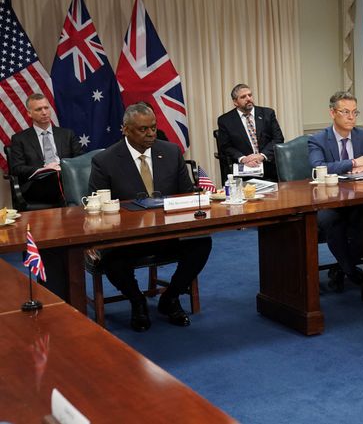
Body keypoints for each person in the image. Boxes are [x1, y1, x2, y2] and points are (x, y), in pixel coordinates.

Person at [89, 103, 212, 332]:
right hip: (128, 238)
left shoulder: (172, 151)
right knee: (112, 261)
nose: (151, 134)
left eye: (154, 128)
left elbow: (185, 194)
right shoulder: (105, 161)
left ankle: (170, 298)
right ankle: (137, 301)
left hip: (168, 232)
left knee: (201, 243)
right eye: (143, 129)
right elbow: (96, 204)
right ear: (125, 129)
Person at [309, 91, 363, 292]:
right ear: (332, 113)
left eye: (355, 112)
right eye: (345, 112)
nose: (351, 117)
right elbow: (318, 168)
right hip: (328, 200)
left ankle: (342, 268)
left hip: (358, 198)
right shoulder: (318, 139)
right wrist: (353, 163)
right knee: (333, 222)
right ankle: (350, 270)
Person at [9, 93, 82, 207]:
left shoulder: (67, 134)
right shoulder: (19, 139)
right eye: (38, 109)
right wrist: (43, 169)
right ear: (29, 113)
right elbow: (17, 168)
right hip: (38, 185)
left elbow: (80, 160)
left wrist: (62, 168)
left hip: (66, 180)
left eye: (46, 108)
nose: (44, 112)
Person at [217, 83, 284, 181]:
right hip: (244, 170)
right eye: (243, 97)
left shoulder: (267, 114)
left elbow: (278, 138)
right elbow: (226, 146)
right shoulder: (225, 120)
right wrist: (243, 159)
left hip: (268, 165)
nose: (248, 98)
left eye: (250, 95)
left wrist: (261, 156)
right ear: (235, 102)